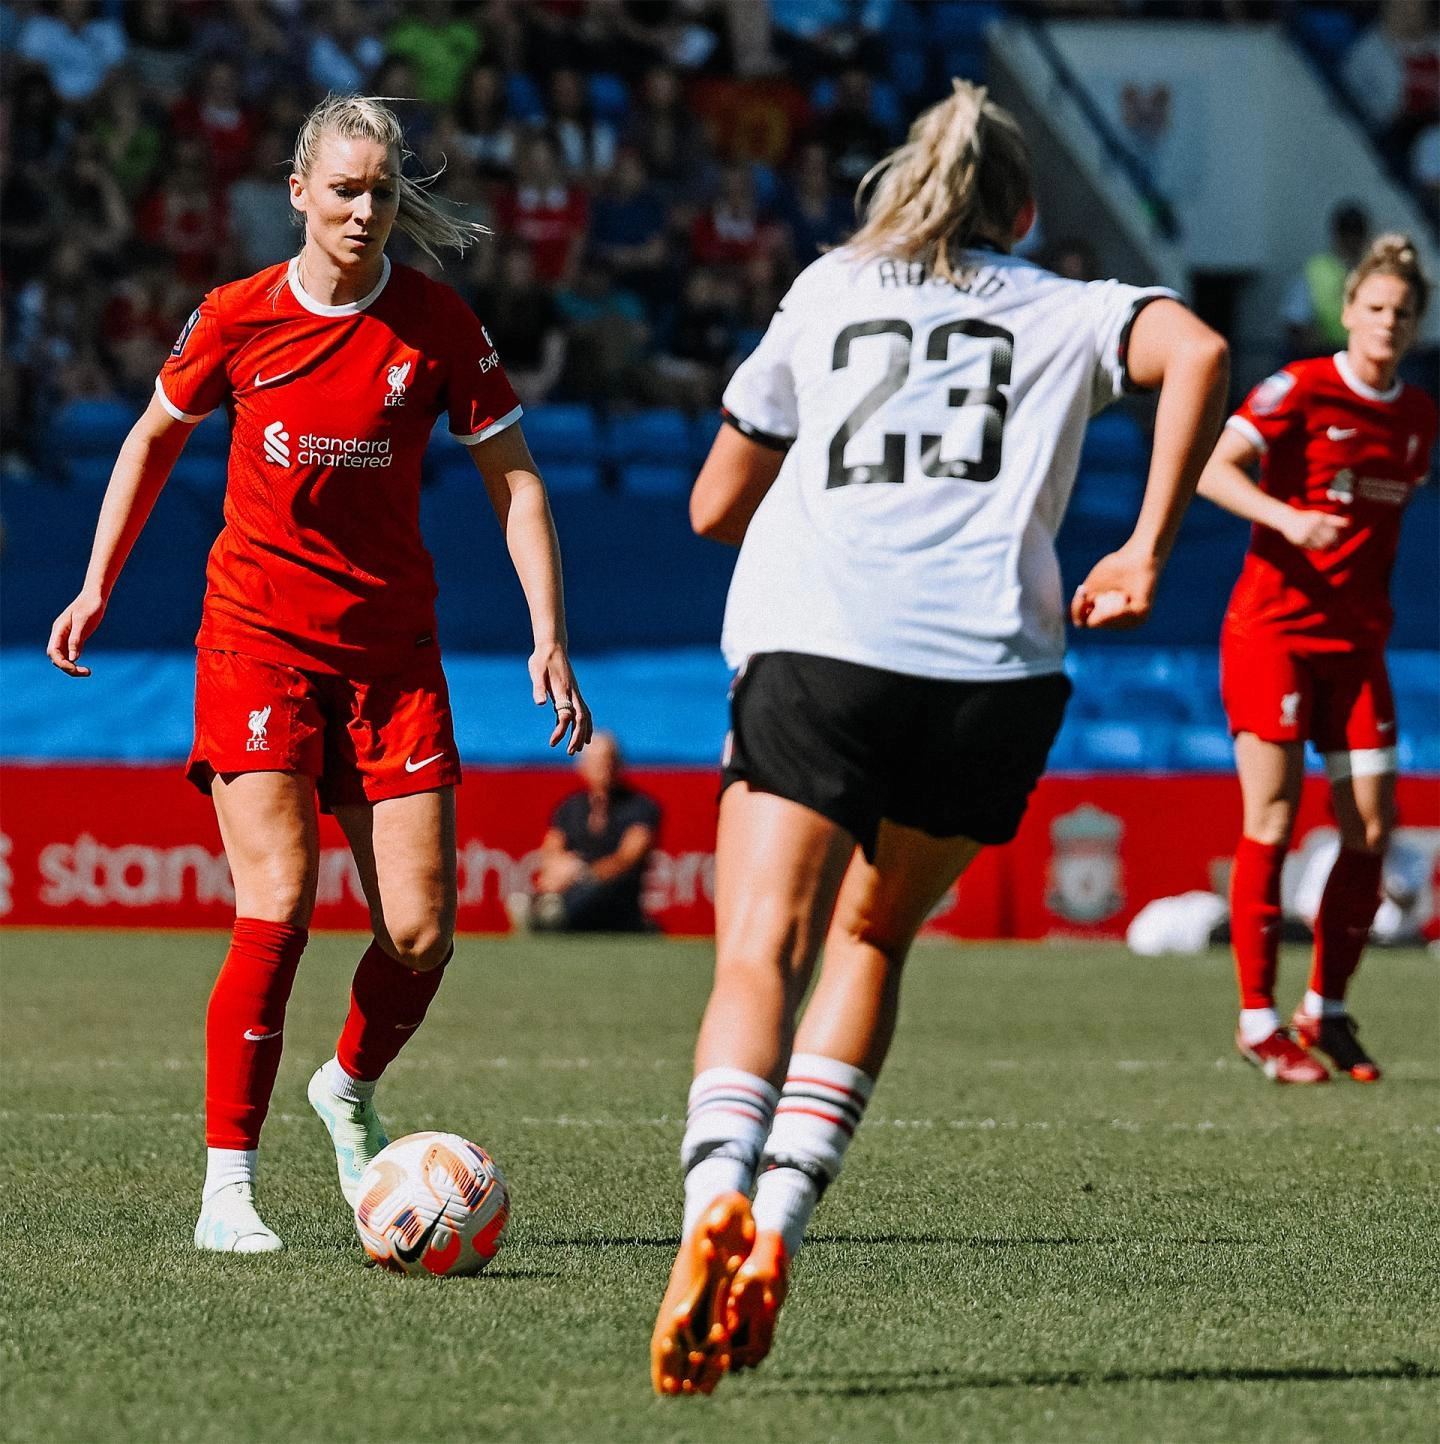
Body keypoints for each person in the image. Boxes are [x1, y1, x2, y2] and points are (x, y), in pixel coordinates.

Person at [649, 78, 1230, 1396]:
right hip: (991, 669)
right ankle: (782, 1229)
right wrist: (1143, 548)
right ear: (1022, 211)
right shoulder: (1072, 308)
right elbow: (1196, 353)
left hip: (824, 651)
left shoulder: (830, 287)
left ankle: (709, 1218)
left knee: (760, 948)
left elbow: (710, 504)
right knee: (871, 937)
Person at [46, 94, 593, 1255]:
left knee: (422, 932)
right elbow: (150, 436)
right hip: (258, 640)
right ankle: (226, 1191)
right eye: (344, 189)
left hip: (392, 659)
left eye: (383, 192)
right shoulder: (238, 316)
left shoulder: (437, 326)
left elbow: (521, 484)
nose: (364, 210)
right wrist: (98, 583)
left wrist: (548, 630)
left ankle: (344, 1088)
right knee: (279, 901)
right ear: (298, 192)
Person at [1197, 234, 1436, 1086]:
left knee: (1372, 827)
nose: (1388, 322)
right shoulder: (1298, 388)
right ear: (1348, 312)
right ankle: (1258, 1022)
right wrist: (1289, 519)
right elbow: (1211, 470)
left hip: (1358, 643)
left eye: (1403, 312)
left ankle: (1324, 1009)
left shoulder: (1416, 418)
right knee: (1272, 819)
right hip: (1274, 635)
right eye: (1375, 307)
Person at [521, 731, 662, 932]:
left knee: (586, 896)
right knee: (540, 897)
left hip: (615, 898)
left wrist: (580, 872)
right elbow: (550, 850)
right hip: (570, 889)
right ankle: (544, 912)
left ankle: (551, 915)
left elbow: (627, 859)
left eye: (608, 761)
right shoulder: (570, 808)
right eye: (596, 762)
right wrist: (557, 871)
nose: (603, 769)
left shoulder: (640, 807)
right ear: (582, 766)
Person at [1280, 202, 1368, 361]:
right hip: (1324, 355)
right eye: (1346, 232)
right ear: (1337, 234)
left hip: (1362, 357)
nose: (1351, 239)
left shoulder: (1374, 271)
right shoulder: (1315, 269)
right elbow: (1296, 321)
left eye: (1356, 233)